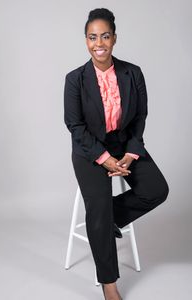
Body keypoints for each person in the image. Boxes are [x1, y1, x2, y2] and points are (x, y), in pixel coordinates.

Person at [64, 7, 169, 300]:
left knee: (157, 189)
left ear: (115, 38)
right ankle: (109, 286)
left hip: (124, 144)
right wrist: (104, 158)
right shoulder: (75, 79)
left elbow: (140, 117)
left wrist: (130, 154)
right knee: (97, 210)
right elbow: (75, 126)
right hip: (89, 151)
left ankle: (109, 218)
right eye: (92, 37)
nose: (99, 43)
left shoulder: (132, 73)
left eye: (105, 36)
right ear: (86, 40)